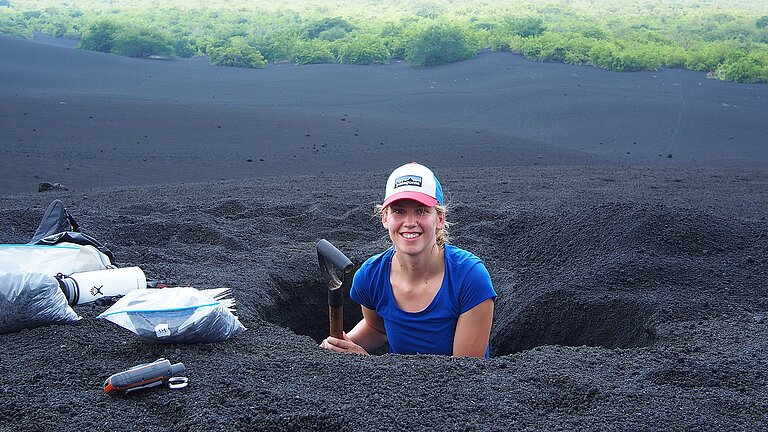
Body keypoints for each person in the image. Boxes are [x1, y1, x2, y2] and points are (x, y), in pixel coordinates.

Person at [320, 162, 497, 358]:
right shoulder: (371, 276)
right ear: (385, 219)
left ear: (440, 219)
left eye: (421, 210)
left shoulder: (469, 278)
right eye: (399, 211)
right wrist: (341, 347)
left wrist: (367, 364)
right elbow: (376, 329)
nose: (410, 223)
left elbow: (465, 373)